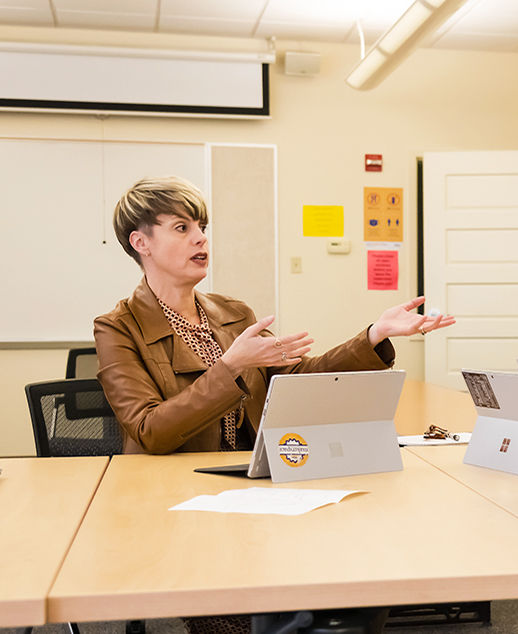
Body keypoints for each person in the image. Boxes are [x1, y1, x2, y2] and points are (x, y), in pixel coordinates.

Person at [95, 176, 454, 456]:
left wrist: (373, 335)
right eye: (181, 228)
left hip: (248, 475)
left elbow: (296, 379)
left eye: (202, 228)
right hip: (164, 488)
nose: (200, 239)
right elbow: (149, 431)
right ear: (141, 243)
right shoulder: (117, 328)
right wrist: (230, 367)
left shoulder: (233, 313)